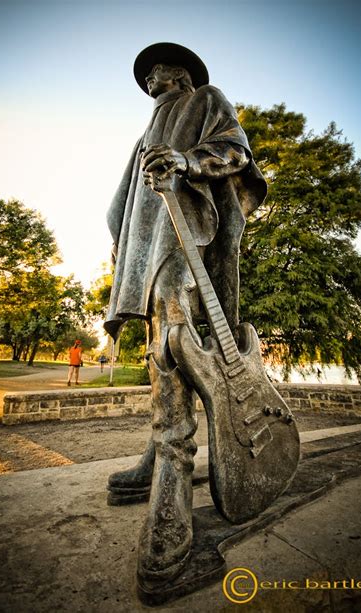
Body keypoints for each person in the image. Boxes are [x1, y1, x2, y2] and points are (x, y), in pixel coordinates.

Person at [104, 42, 267, 588]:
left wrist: (188, 162)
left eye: (160, 70)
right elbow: (122, 204)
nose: (152, 77)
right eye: (147, 74)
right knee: (160, 345)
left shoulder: (205, 100)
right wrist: (122, 241)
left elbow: (236, 152)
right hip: (152, 246)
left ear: (181, 74)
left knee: (176, 334)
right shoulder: (144, 133)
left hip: (189, 236)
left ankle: (173, 473)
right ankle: (158, 450)